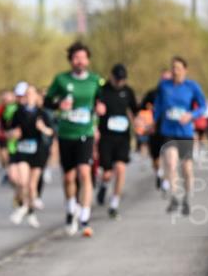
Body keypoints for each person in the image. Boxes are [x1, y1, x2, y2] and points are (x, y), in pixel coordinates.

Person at [44, 41, 104, 238]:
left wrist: (100, 108)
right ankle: (71, 209)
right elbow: (47, 102)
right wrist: (59, 103)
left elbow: (101, 101)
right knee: (69, 177)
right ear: (71, 60)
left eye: (83, 57)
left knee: (84, 173)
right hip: (66, 133)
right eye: (76, 58)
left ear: (88, 60)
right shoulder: (61, 80)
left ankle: (85, 216)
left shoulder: (95, 80)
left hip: (85, 133)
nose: (80, 61)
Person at [153, 56, 207, 216]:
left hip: (185, 132)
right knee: (170, 163)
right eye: (173, 68)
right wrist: (153, 121)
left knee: (187, 169)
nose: (175, 71)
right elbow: (158, 106)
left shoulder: (192, 86)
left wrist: (191, 115)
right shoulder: (164, 86)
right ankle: (174, 197)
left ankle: (187, 199)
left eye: (178, 68)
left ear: (185, 69)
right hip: (168, 131)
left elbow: (203, 106)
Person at [7, 82, 54, 228]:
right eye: (27, 94)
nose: (29, 96)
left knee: (33, 185)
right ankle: (23, 206)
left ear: (37, 96)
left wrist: (43, 128)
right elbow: (10, 131)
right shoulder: (18, 112)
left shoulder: (42, 113)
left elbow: (51, 132)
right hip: (23, 148)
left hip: (38, 150)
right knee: (22, 181)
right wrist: (13, 134)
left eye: (32, 94)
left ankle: (30, 211)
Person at [95, 64, 137, 219]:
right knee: (106, 173)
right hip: (106, 136)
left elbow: (135, 110)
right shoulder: (101, 90)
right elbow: (93, 109)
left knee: (120, 168)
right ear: (111, 76)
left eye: (123, 79)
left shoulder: (128, 91)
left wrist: (139, 123)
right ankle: (104, 185)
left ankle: (114, 204)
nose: (120, 82)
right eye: (117, 79)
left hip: (123, 137)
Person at [141, 69, 173, 193]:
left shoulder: (174, 94)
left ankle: (166, 180)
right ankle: (158, 173)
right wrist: (144, 122)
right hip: (154, 129)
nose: (165, 81)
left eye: (168, 79)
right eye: (163, 78)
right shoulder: (152, 94)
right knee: (155, 157)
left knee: (168, 156)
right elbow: (141, 108)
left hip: (169, 129)